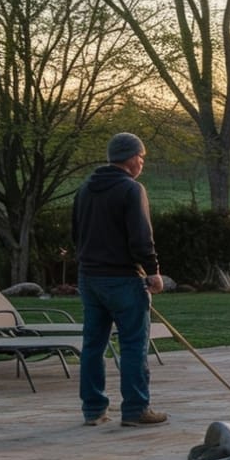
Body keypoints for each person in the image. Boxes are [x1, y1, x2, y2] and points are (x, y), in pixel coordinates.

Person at [72, 132, 167, 427]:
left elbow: (77, 235)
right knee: (133, 345)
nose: (142, 162)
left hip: (90, 278)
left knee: (93, 345)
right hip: (123, 279)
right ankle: (136, 410)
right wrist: (153, 271)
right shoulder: (131, 189)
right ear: (129, 158)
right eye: (141, 157)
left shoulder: (85, 190)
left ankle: (93, 409)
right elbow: (141, 236)